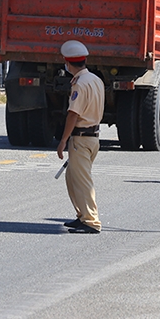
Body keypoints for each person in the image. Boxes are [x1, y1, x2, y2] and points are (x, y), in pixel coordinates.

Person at [56, 40, 105, 234]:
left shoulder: (79, 84)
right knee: (72, 178)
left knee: (82, 181)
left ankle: (91, 221)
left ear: (68, 63)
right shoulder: (95, 79)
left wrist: (62, 140)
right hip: (93, 137)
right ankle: (81, 215)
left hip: (81, 138)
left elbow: (73, 114)